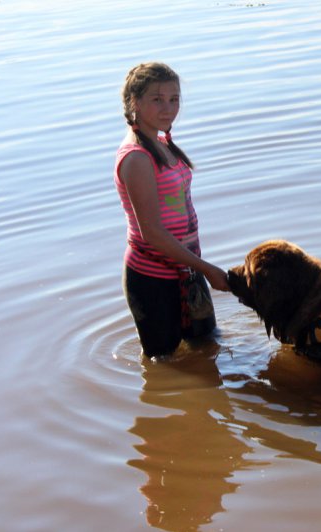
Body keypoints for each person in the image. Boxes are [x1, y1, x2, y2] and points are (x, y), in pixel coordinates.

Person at [114, 62, 229, 357]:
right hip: (154, 279)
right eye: (157, 99)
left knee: (207, 350)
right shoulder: (137, 158)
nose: (168, 108)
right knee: (163, 361)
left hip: (186, 271)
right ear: (133, 103)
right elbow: (151, 233)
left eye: (174, 99)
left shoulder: (162, 142)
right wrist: (208, 270)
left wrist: (197, 268)